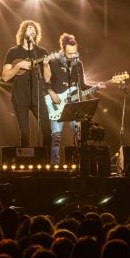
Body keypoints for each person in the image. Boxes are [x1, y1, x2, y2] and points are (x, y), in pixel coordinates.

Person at [46, 33, 105, 165]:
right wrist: (51, 94)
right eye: (70, 54)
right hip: (57, 104)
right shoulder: (54, 62)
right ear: (63, 49)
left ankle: (80, 163)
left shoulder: (78, 64)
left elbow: (82, 85)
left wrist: (96, 87)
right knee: (56, 136)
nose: (73, 56)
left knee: (79, 135)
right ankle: (54, 165)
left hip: (74, 105)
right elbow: (46, 82)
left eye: (75, 53)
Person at [2, 20, 52, 150]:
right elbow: (5, 76)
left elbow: (47, 78)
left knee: (47, 131)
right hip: (20, 97)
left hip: (38, 96)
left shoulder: (41, 52)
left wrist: (46, 65)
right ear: (23, 32)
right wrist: (18, 65)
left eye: (34, 29)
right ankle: (26, 163)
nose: (32, 31)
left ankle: (47, 162)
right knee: (25, 133)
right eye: (30, 28)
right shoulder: (13, 52)